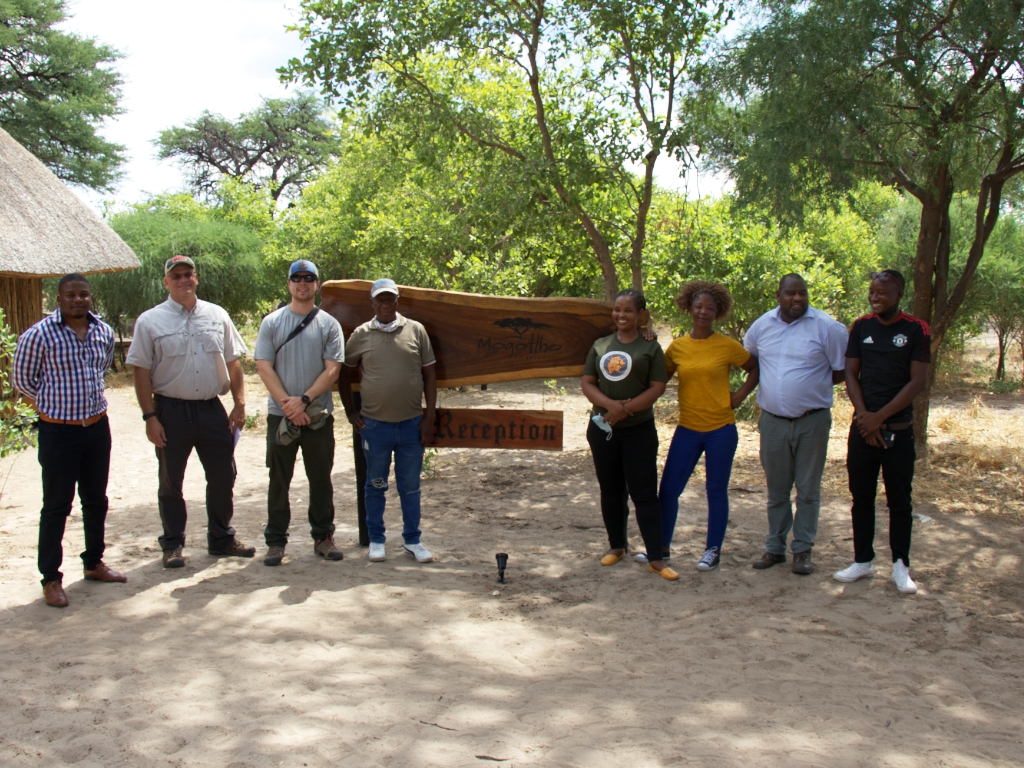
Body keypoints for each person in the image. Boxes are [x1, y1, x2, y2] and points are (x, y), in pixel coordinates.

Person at [126, 255, 255, 568]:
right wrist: (150, 417)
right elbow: (141, 372)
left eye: (188, 274)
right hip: (170, 411)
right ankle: (172, 545)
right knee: (171, 480)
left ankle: (221, 539)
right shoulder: (150, 321)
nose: (183, 280)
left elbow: (233, 361)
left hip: (211, 409)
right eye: (176, 276)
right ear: (166, 282)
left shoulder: (217, 315)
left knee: (224, 475)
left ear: (196, 278)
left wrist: (239, 404)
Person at [12, 273, 127, 607]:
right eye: (71, 295)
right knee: (57, 506)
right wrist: (51, 409)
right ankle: (51, 578)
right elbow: (23, 381)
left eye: (84, 294)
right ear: (59, 298)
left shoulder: (103, 332)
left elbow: (101, 370)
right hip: (59, 432)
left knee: (96, 500)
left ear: (91, 297)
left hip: (97, 429)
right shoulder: (38, 335)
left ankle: (93, 563)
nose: (78, 300)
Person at [743, 274, 848, 575]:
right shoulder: (762, 326)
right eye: (791, 293)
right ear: (779, 295)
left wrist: (810, 387)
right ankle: (775, 548)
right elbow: (751, 360)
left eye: (802, 293)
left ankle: (802, 550)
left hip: (811, 422)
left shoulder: (827, 327)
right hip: (773, 423)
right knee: (777, 491)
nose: (797, 298)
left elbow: (841, 370)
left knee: (808, 491)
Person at [834, 269, 929, 594]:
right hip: (863, 430)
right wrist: (865, 417)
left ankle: (900, 565)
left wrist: (880, 418)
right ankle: (863, 560)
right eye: (872, 292)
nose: (875, 297)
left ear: (899, 294)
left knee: (899, 502)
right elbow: (851, 372)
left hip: (897, 432)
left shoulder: (916, 329)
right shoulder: (861, 326)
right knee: (861, 498)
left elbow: (917, 381)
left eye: (882, 293)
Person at [656, 281, 759, 571]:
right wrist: (647, 339)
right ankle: (660, 548)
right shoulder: (678, 347)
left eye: (710, 308)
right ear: (689, 308)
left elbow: (754, 367)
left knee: (716, 491)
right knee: (668, 491)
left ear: (718, 312)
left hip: (720, 430)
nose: (703, 312)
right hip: (687, 429)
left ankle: (712, 551)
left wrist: (739, 396)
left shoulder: (726, 345)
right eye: (698, 306)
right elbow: (658, 377)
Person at [339, 278, 437, 563]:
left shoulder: (416, 330)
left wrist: (429, 417)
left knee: (410, 486)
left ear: (398, 301)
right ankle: (377, 540)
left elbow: (430, 374)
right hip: (375, 427)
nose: (385, 304)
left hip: (411, 425)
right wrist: (350, 412)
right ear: (372, 303)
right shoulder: (361, 334)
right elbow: (344, 371)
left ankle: (413, 540)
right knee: (376, 485)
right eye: (380, 299)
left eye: (390, 299)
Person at [581, 289, 677, 580]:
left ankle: (656, 558)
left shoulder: (650, 346)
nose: (621, 315)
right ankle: (617, 547)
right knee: (611, 490)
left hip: (639, 431)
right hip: (603, 430)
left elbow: (657, 387)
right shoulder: (600, 345)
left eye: (628, 310)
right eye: (617, 310)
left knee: (644, 494)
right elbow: (587, 382)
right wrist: (609, 406)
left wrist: (623, 410)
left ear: (640, 314)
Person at [254, 260, 345, 566]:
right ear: (289, 284)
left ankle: (323, 537)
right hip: (281, 416)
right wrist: (289, 406)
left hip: (317, 416)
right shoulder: (271, 323)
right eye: (297, 278)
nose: (302, 283)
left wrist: (304, 401)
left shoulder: (328, 324)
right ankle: (276, 541)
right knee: (279, 480)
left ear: (317, 284)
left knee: (320, 479)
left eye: (308, 278)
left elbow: (332, 370)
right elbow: (264, 367)